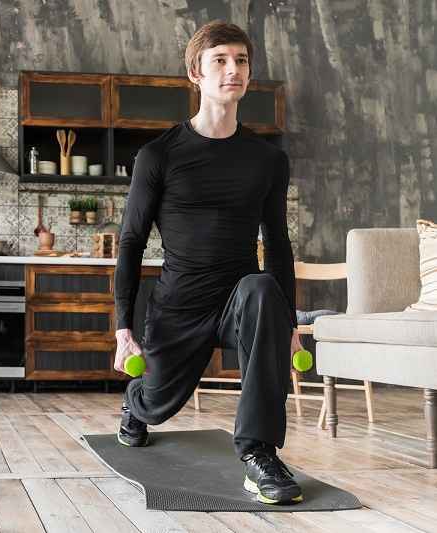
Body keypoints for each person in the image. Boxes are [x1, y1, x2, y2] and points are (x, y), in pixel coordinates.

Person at [113, 20, 304, 505]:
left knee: (263, 288)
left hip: (239, 299)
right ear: (195, 73)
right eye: (219, 60)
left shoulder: (267, 160)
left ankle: (258, 454)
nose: (232, 69)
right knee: (156, 406)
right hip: (179, 304)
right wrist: (122, 327)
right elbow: (132, 240)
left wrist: (291, 321)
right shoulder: (158, 155)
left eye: (240, 60)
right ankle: (137, 403)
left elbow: (277, 243)